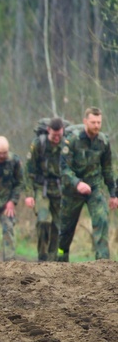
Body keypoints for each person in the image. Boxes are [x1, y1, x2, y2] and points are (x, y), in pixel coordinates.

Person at [58, 107, 118, 261]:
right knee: (66, 229)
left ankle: (103, 262)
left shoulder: (103, 141)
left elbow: (107, 168)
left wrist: (113, 193)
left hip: (94, 188)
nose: (97, 126)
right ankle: (60, 260)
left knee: (102, 219)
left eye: (99, 122)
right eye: (93, 122)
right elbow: (64, 168)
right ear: (85, 121)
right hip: (72, 190)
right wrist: (77, 183)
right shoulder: (72, 140)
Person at [24, 118, 66, 262]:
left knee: (58, 225)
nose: (56, 138)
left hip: (60, 189)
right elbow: (29, 170)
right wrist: (29, 194)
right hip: (42, 188)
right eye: (54, 135)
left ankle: (53, 259)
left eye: (59, 135)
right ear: (48, 130)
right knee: (43, 221)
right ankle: (42, 257)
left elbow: (72, 169)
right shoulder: (39, 144)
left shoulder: (66, 145)